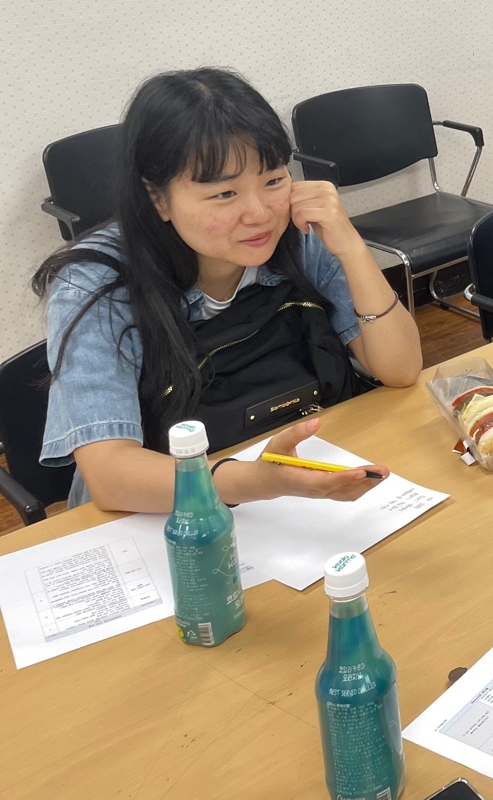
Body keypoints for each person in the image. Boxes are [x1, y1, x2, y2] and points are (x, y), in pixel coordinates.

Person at [35, 67, 423, 513]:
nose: (260, 214)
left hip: (297, 480)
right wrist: (254, 481)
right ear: (158, 198)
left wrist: (351, 246)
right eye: (225, 194)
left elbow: (401, 369)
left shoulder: (298, 235)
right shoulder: (95, 280)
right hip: (169, 513)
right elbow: (110, 475)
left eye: (273, 180)